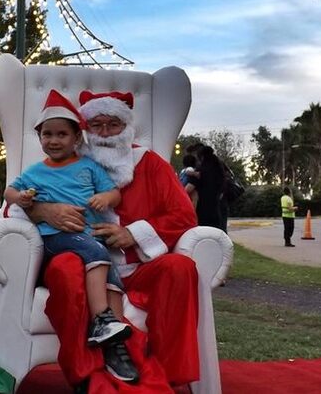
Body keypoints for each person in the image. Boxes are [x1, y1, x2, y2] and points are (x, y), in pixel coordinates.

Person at [26, 90, 200, 393]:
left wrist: (133, 233)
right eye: (97, 125)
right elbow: (13, 207)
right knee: (64, 267)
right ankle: (86, 374)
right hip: (84, 268)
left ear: (127, 127)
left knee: (180, 267)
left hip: (139, 268)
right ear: (85, 130)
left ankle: (173, 376)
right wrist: (44, 210)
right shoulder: (63, 164)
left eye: (113, 125)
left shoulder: (152, 165)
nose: (105, 133)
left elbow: (184, 216)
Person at [4, 89, 139, 383]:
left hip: (88, 237)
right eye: (47, 134)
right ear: (39, 137)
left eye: (61, 134)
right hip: (56, 238)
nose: (53, 140)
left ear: (77, 137)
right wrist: (25, 199)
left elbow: (114, 192)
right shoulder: (36, 172)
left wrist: (105, 198)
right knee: (97, 254)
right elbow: (9, 193)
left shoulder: (88, 167)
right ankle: (102, 320)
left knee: (113, 281)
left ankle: (115, 343)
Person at [187, 145, 225, 229]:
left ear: (202, 157)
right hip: (216, 212)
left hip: (202, 212)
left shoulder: (199, 173)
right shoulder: (219, 172)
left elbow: (188, 189)